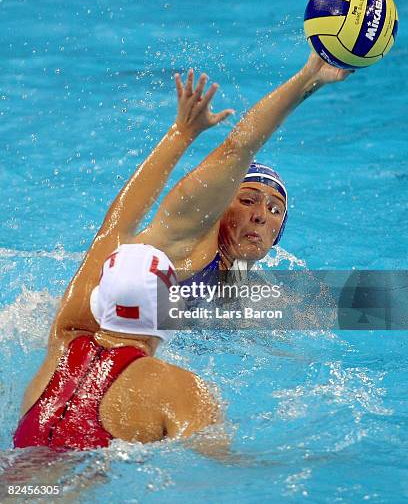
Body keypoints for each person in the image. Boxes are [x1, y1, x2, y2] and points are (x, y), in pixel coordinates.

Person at [14, 52, 352, 451]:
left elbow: (115, 226)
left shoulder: (67, 340)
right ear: (219, 202)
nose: (261, 215)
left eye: (274, 209)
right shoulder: (189, 241)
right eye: (247, 199)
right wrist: (307, 79)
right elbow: (235, 152)